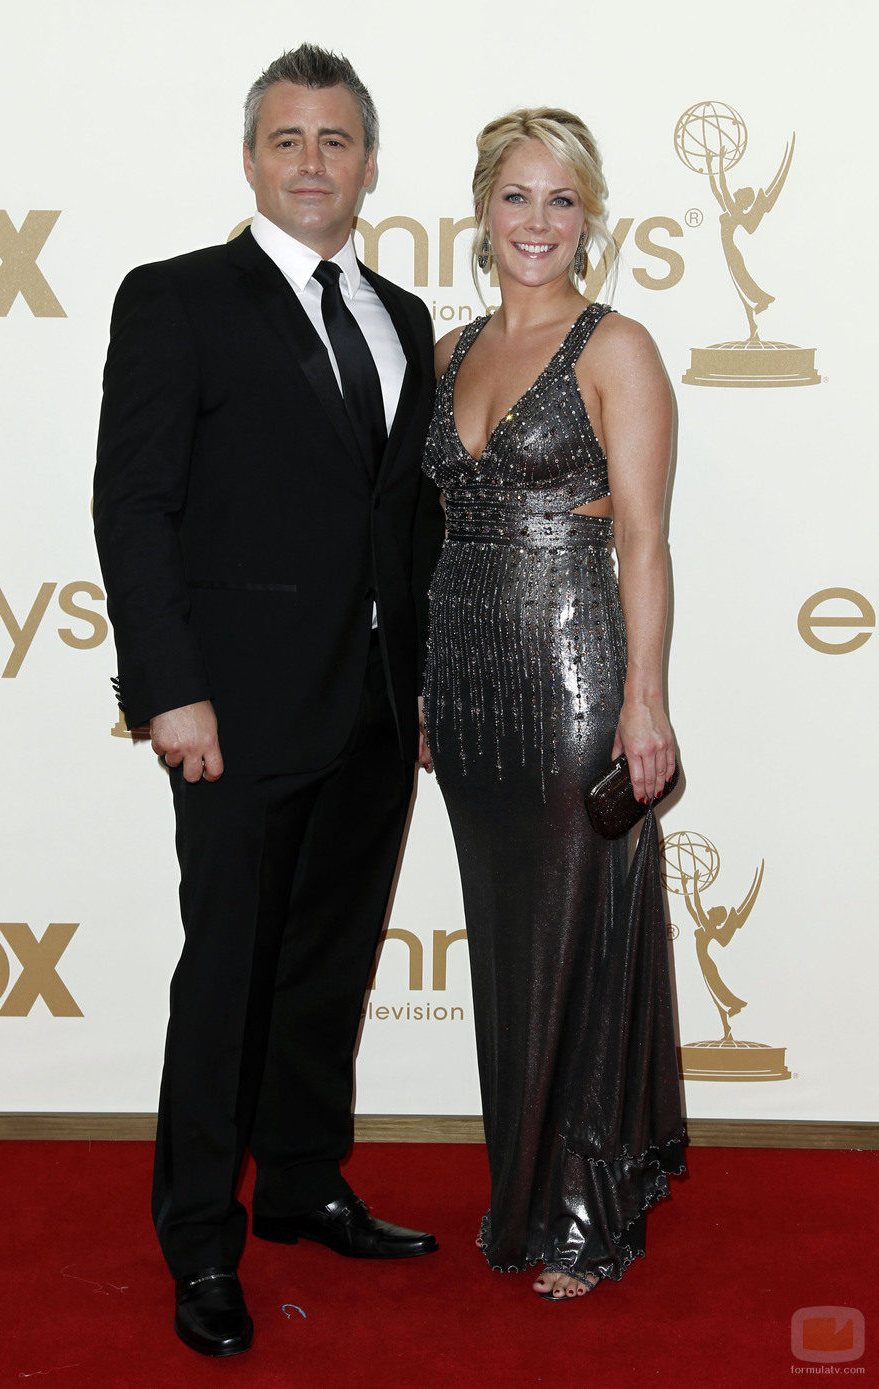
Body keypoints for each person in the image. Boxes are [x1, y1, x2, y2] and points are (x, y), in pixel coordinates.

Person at [93, 43, 444, 1358]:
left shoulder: (401, 318)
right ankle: (200, 1242)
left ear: (365, 162)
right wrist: (168, 690)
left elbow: (400, 523)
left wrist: (410, 688)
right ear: (252, 158)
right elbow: (133, 506)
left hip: (365, 708)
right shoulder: (177, 299)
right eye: (288, 139)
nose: (312, 162)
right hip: (229, 714)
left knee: (327, 968)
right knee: (228, 980)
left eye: (336, 140)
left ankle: (301, 1182)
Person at [421, 108, 684, 1301]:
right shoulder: (446, 350)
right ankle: (520, 1187)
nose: (538, 222)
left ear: (591, 217)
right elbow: (426, 533)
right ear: (483, 208)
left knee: (577, 930)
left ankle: (582, 1210)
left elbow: (641, 539)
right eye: (518, 197)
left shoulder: (614, 345)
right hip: (467, 680)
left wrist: (643, 702)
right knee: (510, 945)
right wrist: (425, 685)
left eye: (562, 201)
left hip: (576, 668)